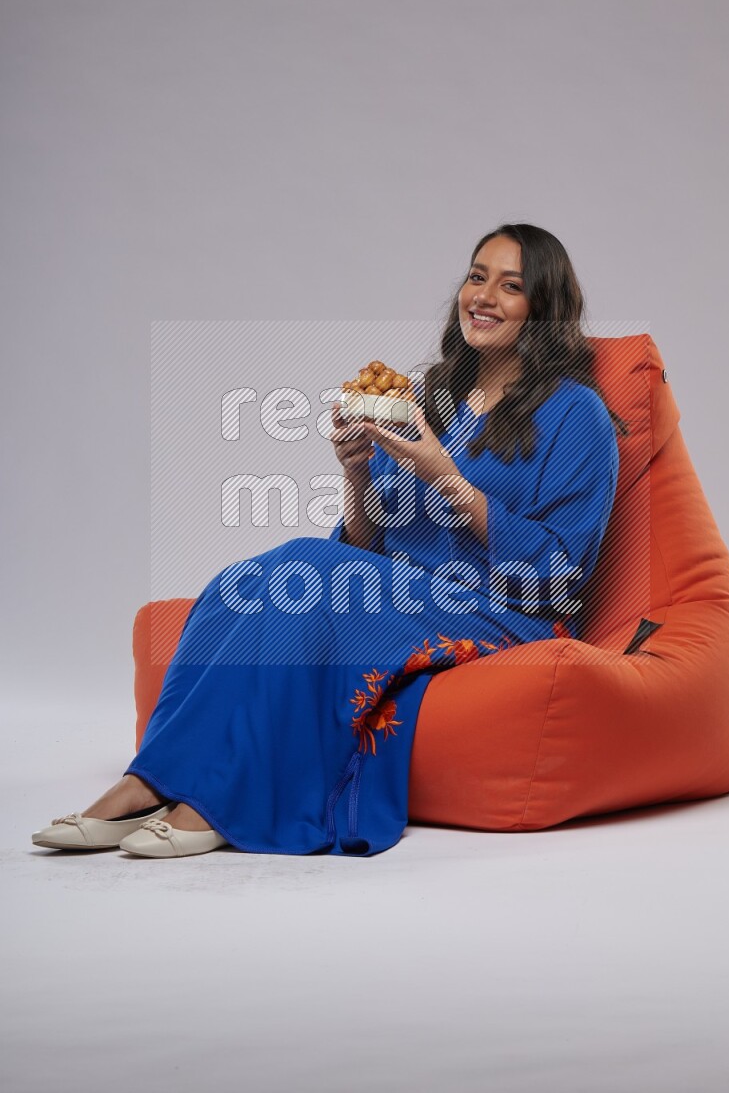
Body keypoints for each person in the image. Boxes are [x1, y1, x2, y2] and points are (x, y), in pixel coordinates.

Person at [32, 223, 625, 859]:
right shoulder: (430, 399)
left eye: (511, 286)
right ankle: (146, 779)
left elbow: (562, 573)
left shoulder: (575, 413)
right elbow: (368, 547)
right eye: (476, 276)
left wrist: (447, 478)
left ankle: (219, 803)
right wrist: (358, 470)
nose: (483, 296)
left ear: (544, 306)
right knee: (244, 582)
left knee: (305, 569)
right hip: (401, 588)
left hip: (499, 608)